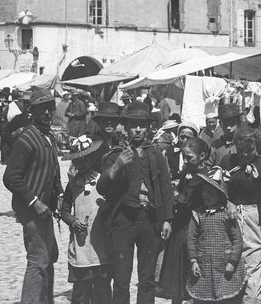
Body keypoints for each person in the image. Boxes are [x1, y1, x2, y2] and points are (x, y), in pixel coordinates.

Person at [98, 100, 175, 304]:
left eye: (142, 125)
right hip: (123, 220)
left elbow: (166, 189)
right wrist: (118, 165)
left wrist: (167, 218)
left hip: (149, 220)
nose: (138, 130)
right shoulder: (117, 154)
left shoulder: (156, 154)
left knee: (147, 278)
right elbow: (102, 187)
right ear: (126, 127)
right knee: (122, 279)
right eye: (133, 125)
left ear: (149, 127)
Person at [4, 87, 65, 304]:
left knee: (49, 256)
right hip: (31, 209)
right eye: (42, 109)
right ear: (32, 112)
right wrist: (34, 201)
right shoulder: (27, 138)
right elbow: (10, 177)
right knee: (38, 260)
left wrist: (58, 193)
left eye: (50, 108)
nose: (48, 113)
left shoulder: (48, 137)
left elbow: (54, 172)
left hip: (45, 209)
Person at [218, 127, 261, 304]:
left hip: (252, 218)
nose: (244, 155)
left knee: (252, 262)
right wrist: (228, 202)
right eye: (240, 150)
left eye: (249, 151)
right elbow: (218, 188)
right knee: (228, 260)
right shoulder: (228, 161)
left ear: (257, 147)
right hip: (229, 216)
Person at [156, 135, 212, 304]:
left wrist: (173, 194)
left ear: (202, 156)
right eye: (184, 157)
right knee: (176, 269)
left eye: (189, 157)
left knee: (188, 265)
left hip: (192, 227)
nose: (186, 161)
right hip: (180, 225)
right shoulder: (187, 173)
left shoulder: (204, 176)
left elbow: (187, 200)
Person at [59, 135, 114, 304]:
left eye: (85, 160)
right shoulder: (73, 184)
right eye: (78, 162)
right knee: (81, 292)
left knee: (102, 290)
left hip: (100, 242)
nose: (82, 165)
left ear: (92, 158)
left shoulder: (102, 180)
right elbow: (65, 210)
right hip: (81, 242)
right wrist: (73, 221)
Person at [185, 168, 245, 304]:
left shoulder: (227, 214)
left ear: (220, 195)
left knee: (225, 298)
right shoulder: (197, 214)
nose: (206, 194)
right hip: (204, 265)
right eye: (204, 191)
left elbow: (237, 241)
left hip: (224, 266)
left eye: (211, 192)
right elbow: (191, 239)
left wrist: (232, 262)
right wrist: (193, 261)